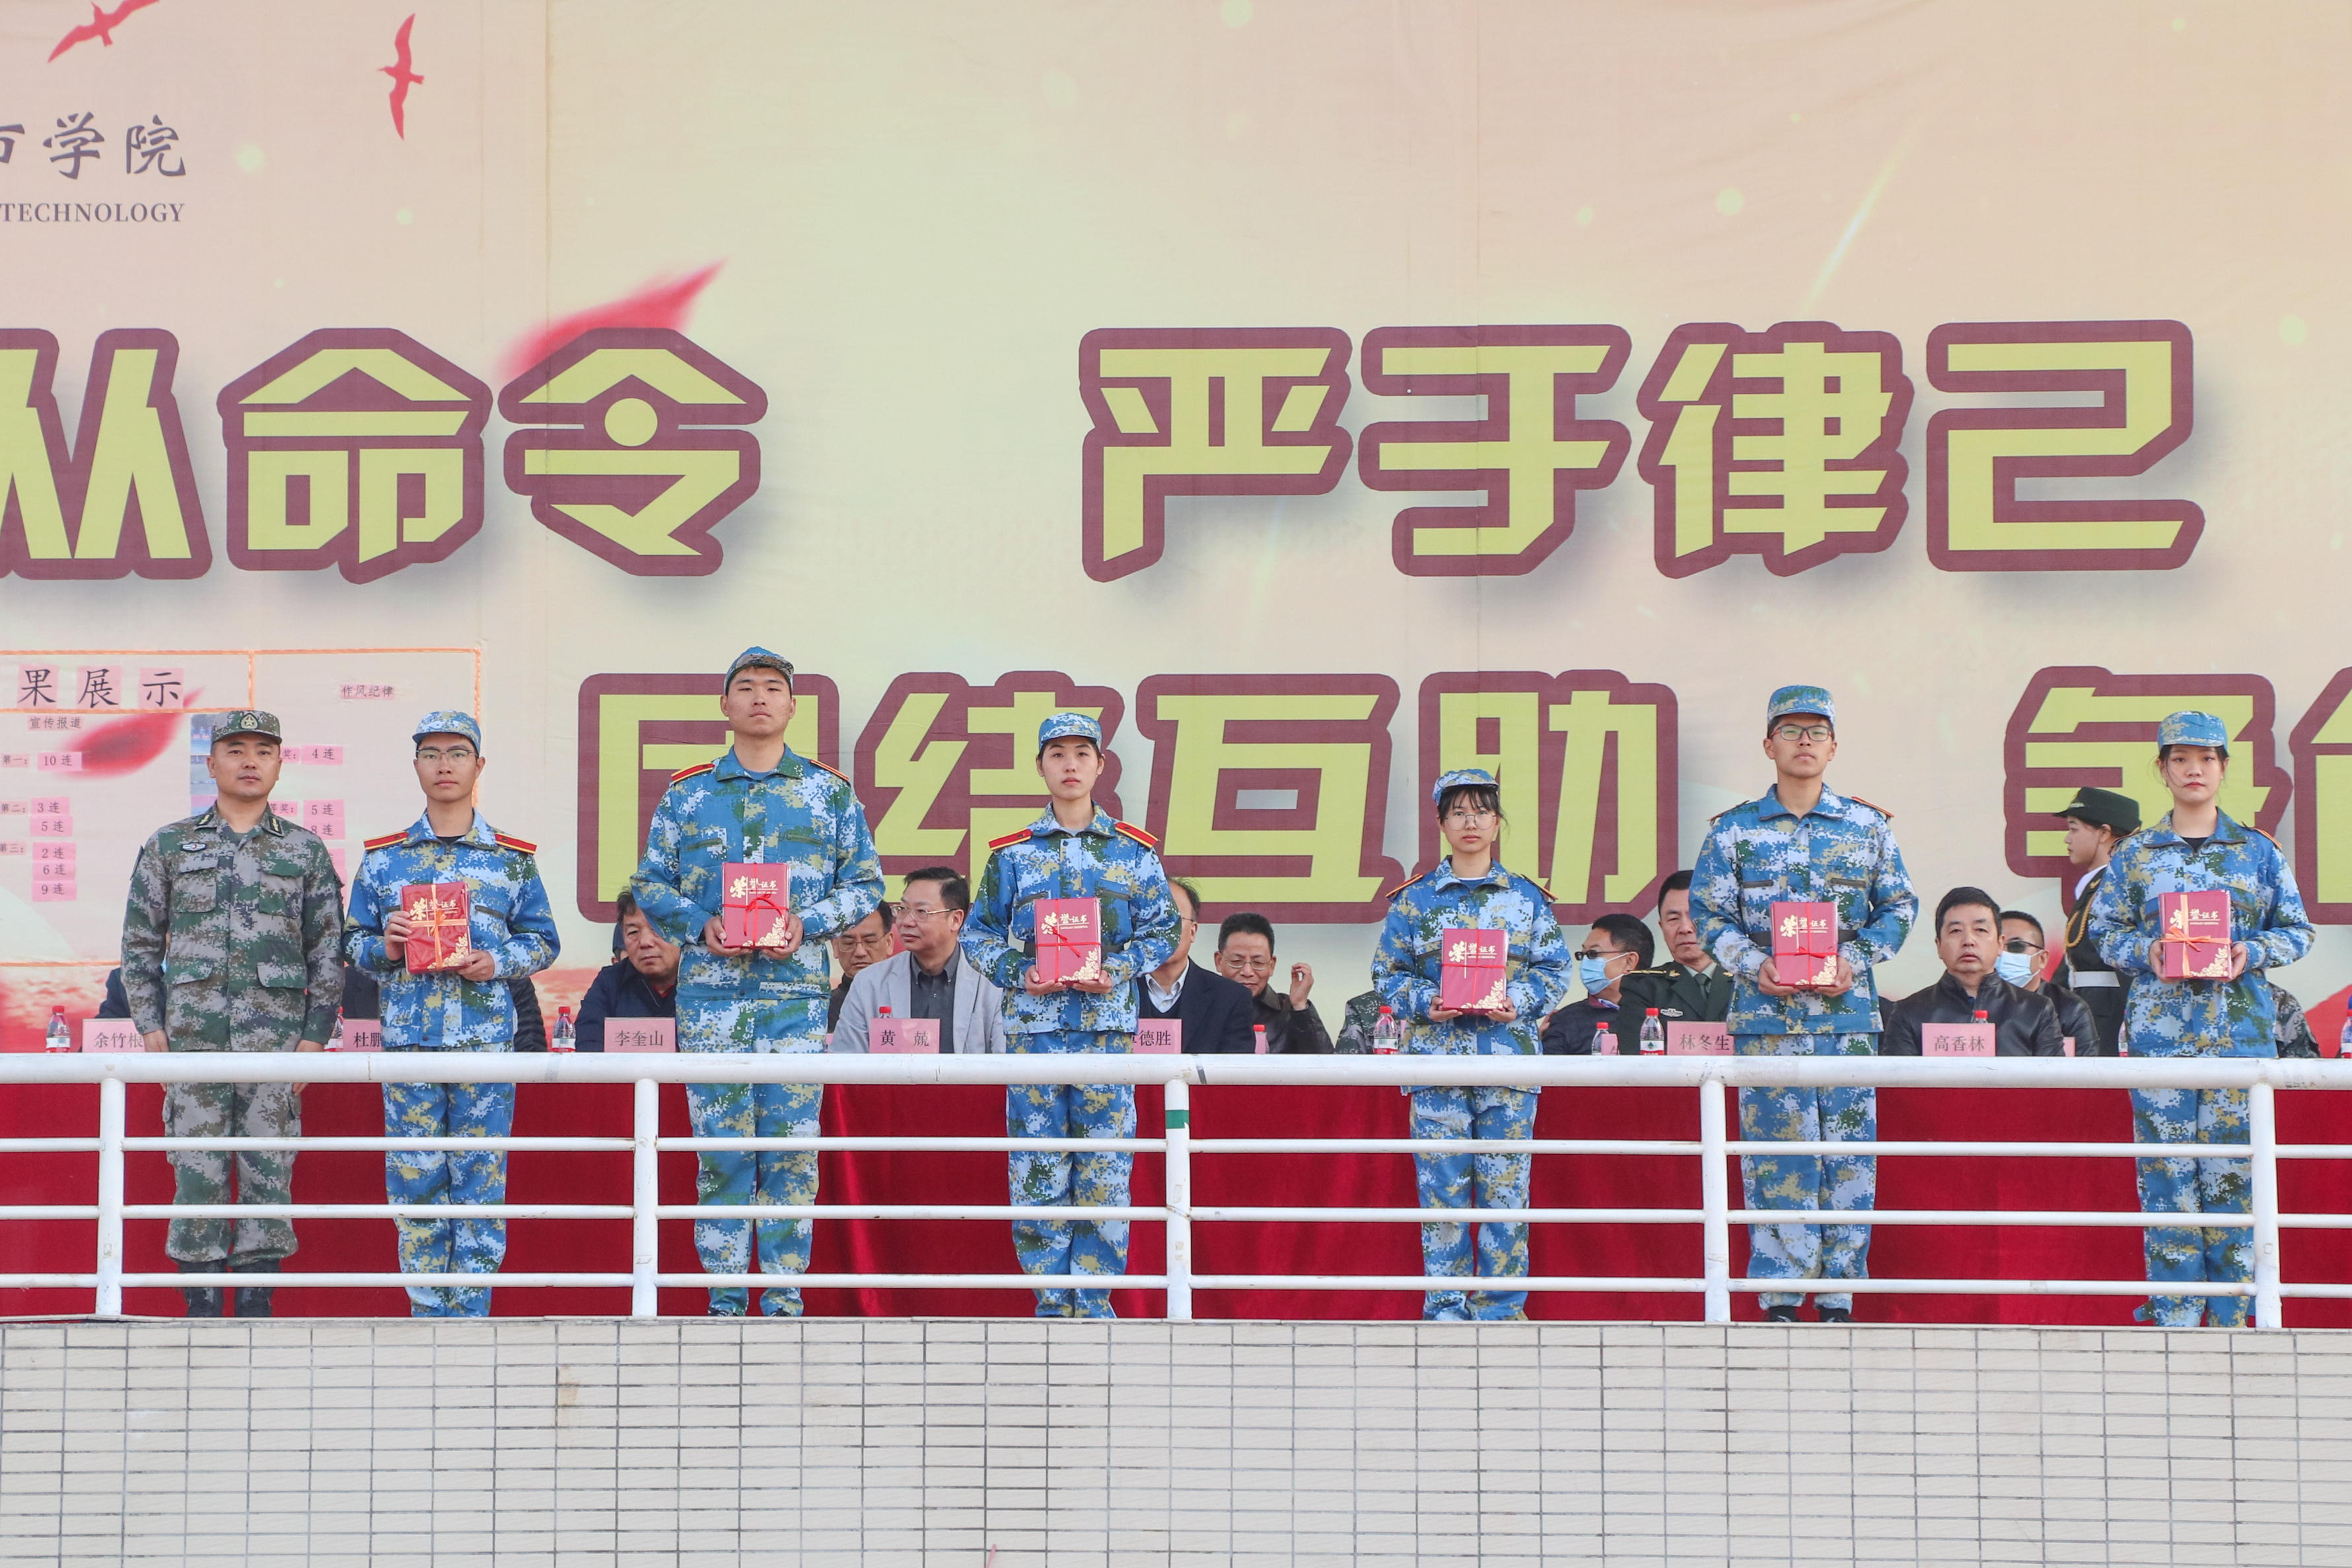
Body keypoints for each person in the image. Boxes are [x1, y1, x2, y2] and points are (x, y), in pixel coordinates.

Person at [629, 647, 884, 1317]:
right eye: (745, 687)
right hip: (712, 1000)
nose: (760, 697)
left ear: (793, 706)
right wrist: (698, 925)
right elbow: (649, 881)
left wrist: (809, 923)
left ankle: (783, 1300)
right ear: (725, 705)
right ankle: (724, 1301)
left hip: (794, 1000)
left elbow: (865, 884)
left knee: (791, 1156)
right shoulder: (689, 793)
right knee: (722, 1155)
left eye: (773, 687)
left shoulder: (829, 793)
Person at [1690, 685, 1917, 1325]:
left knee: (1849, 1162)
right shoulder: (1734, 831)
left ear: (1834, 746)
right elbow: (1707, 913)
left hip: (1846, 1023)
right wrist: (1749, 963)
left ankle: (1840, 1297)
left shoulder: (1868, 828)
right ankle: (1783, 1298)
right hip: (1767, 1023)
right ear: (1769, 745)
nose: (1805, 742)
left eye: (1817, 731)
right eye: (1791, 731)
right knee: (1776, 1161)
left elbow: (1899, 908)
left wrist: (1856, 959)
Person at [2088, 710, 2314, 1328]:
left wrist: (2250, 952)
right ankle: (2176, 1315)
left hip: (2237, 1038)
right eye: (2181, 759)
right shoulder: (2134, 855)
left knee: (2234, 1178)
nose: (2194, 770)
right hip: (2160, 1037)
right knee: (2165, 1177)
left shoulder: (2257, 853)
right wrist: (2147, 952)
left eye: (2206, 759)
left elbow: (2298, 931)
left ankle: (2233, 1316)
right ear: (2161, 769)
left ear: (2222, 768)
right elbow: (2102, 934)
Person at [118, 710, 344, 1319]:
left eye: (263, 751)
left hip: (277, 1047)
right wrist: (151, 1027)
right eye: (236, 749)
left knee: (269, 1171)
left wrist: (315, 1038)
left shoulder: (304, 849)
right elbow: (140, 945)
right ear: (211, 763)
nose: (250, 761)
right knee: (197, 1172)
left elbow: (328, 949)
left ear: (279, 764)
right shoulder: (169, 845)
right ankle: (198, 1304)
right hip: (192, 1043)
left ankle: (255, 1305)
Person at [961, 711, 1180, 1318]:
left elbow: (1165, 930)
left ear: (1101, 765)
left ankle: (1095, 1303)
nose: (1070, 765)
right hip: (1034, 1031)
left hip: (1105, 1032)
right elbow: (977, 934)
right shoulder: (1012, 855)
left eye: (1082, 753)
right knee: (1038, 1169)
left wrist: (1120, 967)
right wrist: (1018, 971)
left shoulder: (1133, 852)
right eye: (1057, 754)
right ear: (1040, 766)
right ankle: (1051, 1306)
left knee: (1104, 1172)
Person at [346, 711, 559, 1318]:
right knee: (415, 1184)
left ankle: (471, 1318)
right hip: (410, 1046)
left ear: (478, 766)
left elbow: (544, 941)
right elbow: (352, 943)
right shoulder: (384, 859)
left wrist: (496, 962)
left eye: (458, 753)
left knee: (479, 1184)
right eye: (432, 754)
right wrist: (386, 949)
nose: (445, 765)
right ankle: (426, 1317)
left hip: (484, 1047)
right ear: (416, 766)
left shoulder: (512, 859)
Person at [1372, 767, 1573, 1322]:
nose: (1470, 822)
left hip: (1507, 1066)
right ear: (1441, 823)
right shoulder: (1414, 901)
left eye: (1481, 812)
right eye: (1458, 812)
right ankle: (1445, 1307)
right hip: (1436, 1064)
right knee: (1441, 1193)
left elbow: (1555, 969)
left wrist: (1519, 1000)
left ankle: (1501, 1309)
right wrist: (1425, 1002)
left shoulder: (1526, 899)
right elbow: (1387, 972)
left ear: (1496, 822)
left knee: (1506, 1192)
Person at [834, 867, 1007, 1053]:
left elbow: (1008, 1063)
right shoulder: (869, 983)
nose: (906, 922)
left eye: (921, 912)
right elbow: (846, 1059)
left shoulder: (993, 984)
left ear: (956, 920)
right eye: (903, 909)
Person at [1882, 889, 2063, 1057]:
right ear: (1939, 946)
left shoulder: (2037, 1010)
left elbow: (2054, 1079)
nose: (1969, 940)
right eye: (1956, 931)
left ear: (2000, 944)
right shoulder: (1909, 1013)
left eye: (1980, 930)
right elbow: (1900, 1080)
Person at [2054, 786, 2141, 1055]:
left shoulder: (2118, 885)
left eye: (2074, 829)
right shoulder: (2096, 884)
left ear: (2104, 833)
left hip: (2108, 1016)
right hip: (2086, 1008)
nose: (2067, 839)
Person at [1133, 877, 1256, 1053]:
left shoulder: (1230, 998)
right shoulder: (1115, 991)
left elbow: (1235, 1068)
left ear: (1193, 931)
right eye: (1153, 917)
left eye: (1173, 919)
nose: (1163, 929)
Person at [1621, 869, 1734, 1024]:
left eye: (1695, 916)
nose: (1685, 928)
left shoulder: (1748, 983)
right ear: (1662, 927)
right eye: (1674, 919)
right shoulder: (1642, 986)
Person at [575, 891, 682, 1052]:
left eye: (658, 929)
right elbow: (588, 1046)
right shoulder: (610, 982)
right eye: (633, 933)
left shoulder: (706, 981)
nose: (645, 942)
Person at [1215, 912, 1332, 1053]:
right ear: (1219, 961)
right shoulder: (1203, 1006)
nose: (1247, 972)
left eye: (1258, 963)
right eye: (1236, 961)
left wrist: (1300, 1006)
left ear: (1272, 966)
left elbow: (1325, 1062)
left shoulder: (1288, 1011)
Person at [1539, 913, 1654, 1054]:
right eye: (1583, 955)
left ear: (1629, 961)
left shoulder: (1659, 1015)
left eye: (1593, 954)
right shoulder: (1565, 1021)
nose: (1585, 962)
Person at [1997, 909, 2102, 1055]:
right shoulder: (1974, 1002)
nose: (2004, 955)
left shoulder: (2071, 1009)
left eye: (2016, 946)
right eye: (1996, 947)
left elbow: (2086, 1066)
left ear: (2042, 959)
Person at [828, 904, 894, 1030]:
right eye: (849, 943)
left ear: (889, 943)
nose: (860, 952)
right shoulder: (822, 1009)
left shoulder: (908, 999)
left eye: (870, 942)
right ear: (835, 946)